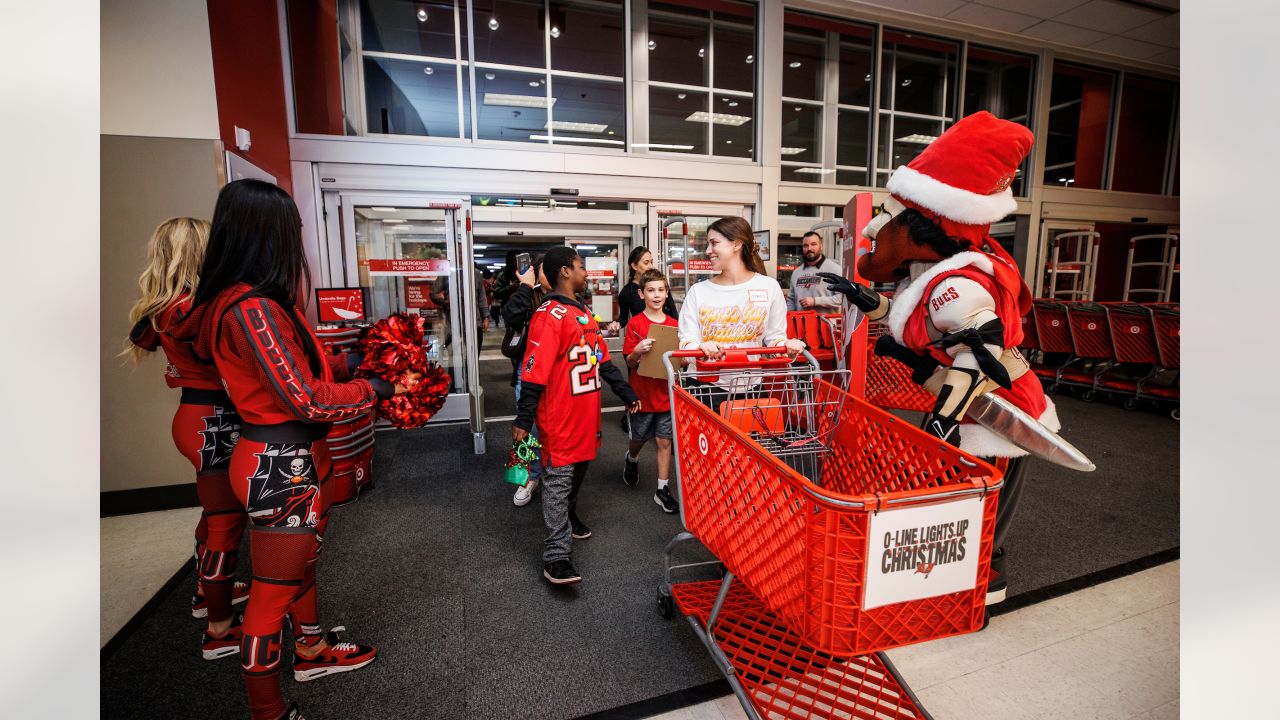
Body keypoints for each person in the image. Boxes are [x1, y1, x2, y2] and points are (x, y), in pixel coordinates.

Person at [180, 179, 417, 720]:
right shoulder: (251, 307)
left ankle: (310, 648)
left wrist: (353, 367)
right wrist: (374, 389)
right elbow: (306, 400)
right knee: (268, 594)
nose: (299, 243)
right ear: (268, 235)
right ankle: (269, 711)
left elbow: (294, 376)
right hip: (281, 468)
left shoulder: (246, 304)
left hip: (286, 462)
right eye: (294, 231)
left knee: (296, 570)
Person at [818, 111, 1065, 610]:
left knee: (982, 497)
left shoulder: (955, 284)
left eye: (887, 216)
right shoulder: (937, 276)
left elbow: (978, 352)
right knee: (969, 495)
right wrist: (872, 305)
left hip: (996, 410)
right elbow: (932, 326)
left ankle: (982, 584)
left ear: (922, 223)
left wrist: (945, 421)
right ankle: (963, 578)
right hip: (975, 405)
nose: (872, 231)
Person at [124, 217, 250, 661]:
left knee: (216, 513)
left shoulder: (164, 308)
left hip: (197, 418)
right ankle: (219, 627)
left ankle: (207, 588)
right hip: (212, 420)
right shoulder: (190, 309)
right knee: (225, 523)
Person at [513, 246, 641, 586]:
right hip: (559, 417)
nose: (587, 273)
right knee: (558, 478)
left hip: (586, 414)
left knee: (579, 468)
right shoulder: (548, 315)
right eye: (581, 266)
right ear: (565, 272)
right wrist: (523, 420)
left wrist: (626, 392)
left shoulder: (583, 312)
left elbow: (601, 358)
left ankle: (567, 514)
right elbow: (533, 372)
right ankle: (555, 556)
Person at [677, 216, 806, 408]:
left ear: (736, 244)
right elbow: (686, 341)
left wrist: (787, 345)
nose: (707, 251)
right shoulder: (699, 291)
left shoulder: (769, 287)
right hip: (705, 385)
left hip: (751, 385)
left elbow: (774, 338)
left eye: (714, 243)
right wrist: (701, 348)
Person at [620, 269, 679, 513]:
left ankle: (662, 489)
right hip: (642, 394)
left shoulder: (675, 326)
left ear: (666, 293)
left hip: (666, 393)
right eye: (651, 290)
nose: (656, 295)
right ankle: (631, 459)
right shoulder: (635, 324)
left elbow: (680, 362)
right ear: (641, 293)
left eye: (661, 290)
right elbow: (630, 362)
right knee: (639, 439)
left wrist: (684, 359)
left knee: (665, 441)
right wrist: (637, 351)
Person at [501, 253, 548, 507]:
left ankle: (549, 472)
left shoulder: (568, 295)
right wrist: (526, 286)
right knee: (526, 426)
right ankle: (526, 477)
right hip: (526, 369)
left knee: (551, 426)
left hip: (557, 371)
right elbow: (511, 316)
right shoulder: (525, 292)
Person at [612, 246, 678, 332]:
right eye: (646, 263)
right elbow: (623, 319)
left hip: (666, 332)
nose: (650, 266)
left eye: (651, 262)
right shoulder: (627, 292)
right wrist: (616, 324)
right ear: (634, 266)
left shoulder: (660, 284)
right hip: (643, 335)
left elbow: (673, 312)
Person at [430, 264, 489, 350]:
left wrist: (486, 317)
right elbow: (434, 293)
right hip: (453, 321)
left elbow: (481, 297)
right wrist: (445, 302)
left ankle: (468, 363)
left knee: (474, 352)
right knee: (454, 352)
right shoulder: (447, 273)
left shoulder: (475, 274)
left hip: (474, 321)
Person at [786, 231, 842, 313]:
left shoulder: (834, 269)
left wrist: (815, 301)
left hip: (827, 324)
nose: (809, 249)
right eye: (805, 245)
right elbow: (791, 300)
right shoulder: (796, 273)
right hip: (801, 324)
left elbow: (842, 298)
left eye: (813, 244)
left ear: (821, 246)